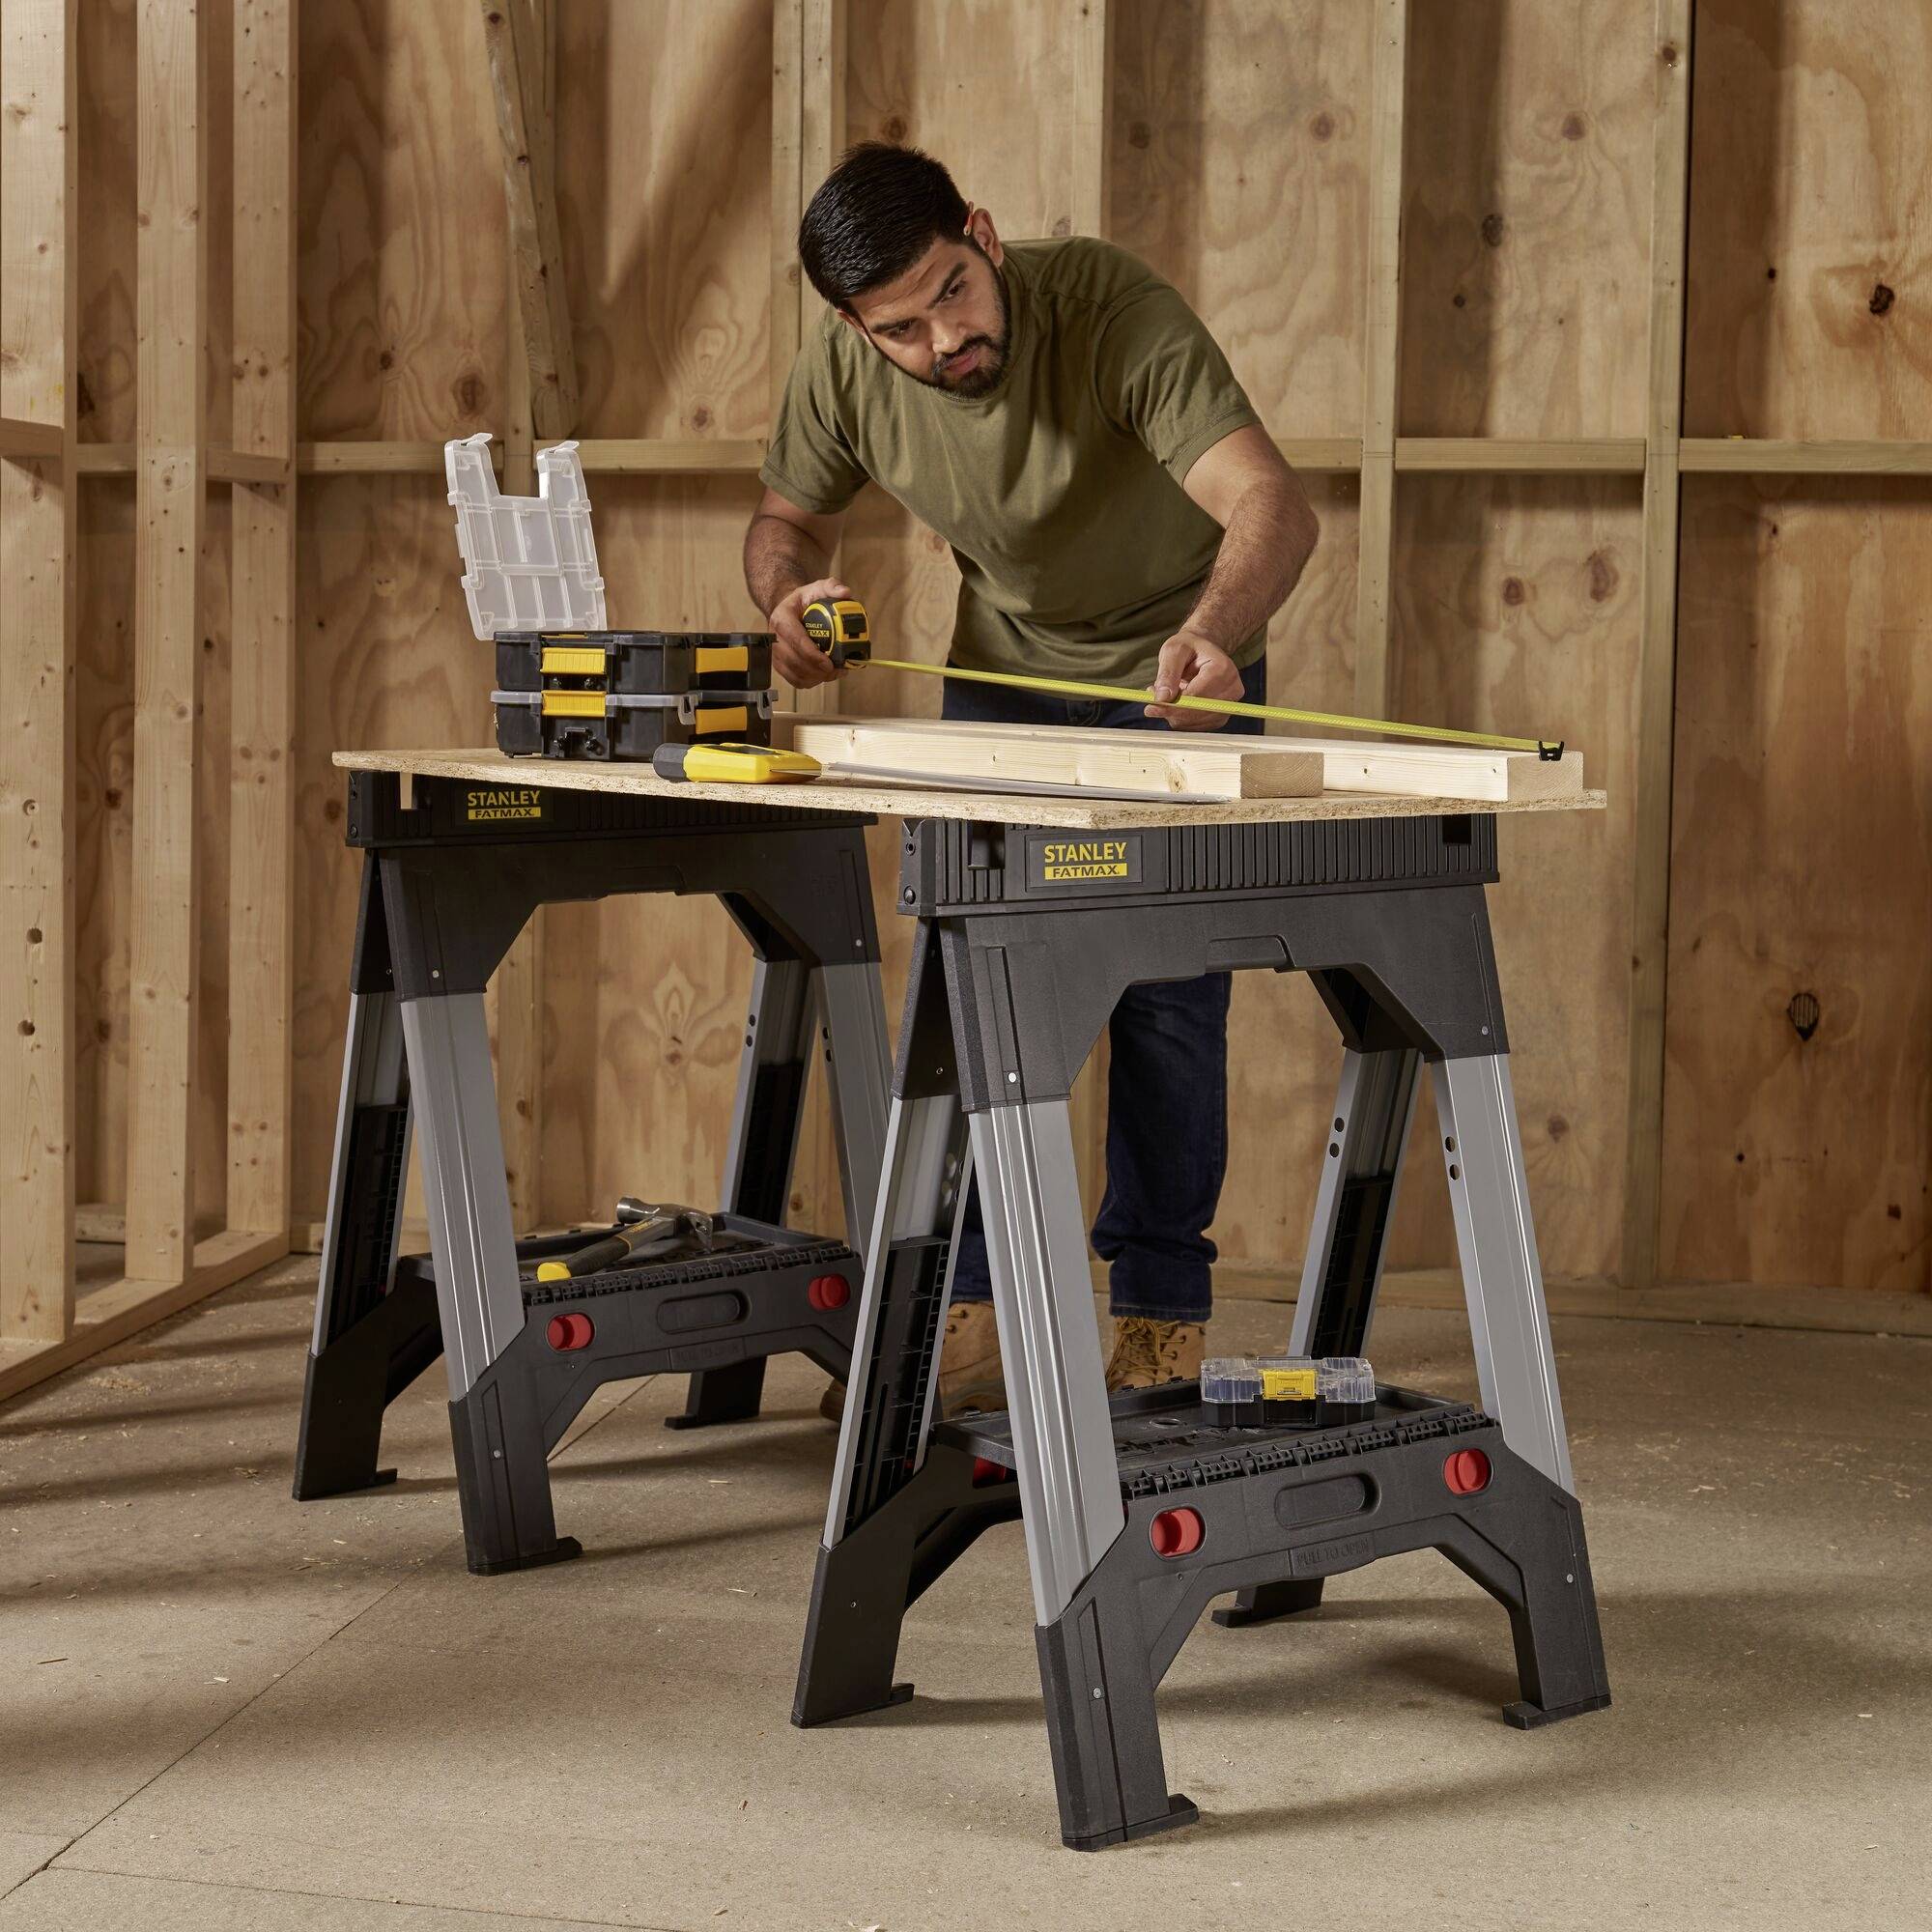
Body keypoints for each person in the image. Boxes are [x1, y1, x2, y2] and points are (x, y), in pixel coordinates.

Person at [744, 143, 1319, 1417]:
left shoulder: (1111, 309)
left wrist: (1218, 634)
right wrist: (792, 602)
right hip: (1002, 676)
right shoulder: (848, 368)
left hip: (1182, 667)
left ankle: (1160, 1312)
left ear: (987, 237)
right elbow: (785, 525)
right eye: (900, 327)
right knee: (973, 983)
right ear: (854, 327)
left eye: (954, 292)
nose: (943, 339)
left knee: (1167, 995)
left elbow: (1271, 504)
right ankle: (976, 1300)